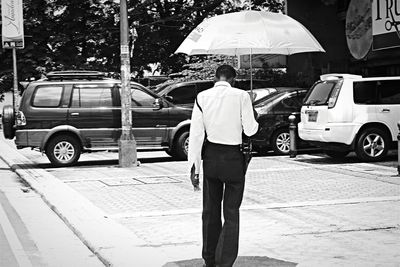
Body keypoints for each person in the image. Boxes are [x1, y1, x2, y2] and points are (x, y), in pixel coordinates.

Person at [188, 65, 259, 267]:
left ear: (215, 78)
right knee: (231, 212)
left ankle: (209, 259)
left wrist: (194, 169)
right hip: (233, 158)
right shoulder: (241, 96)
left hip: (211, 157)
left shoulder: (202, 97)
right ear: (233, 79)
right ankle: (224, 261)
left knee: (210, 211)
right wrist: (253, 113)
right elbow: (251, 130)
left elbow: (196, 135)